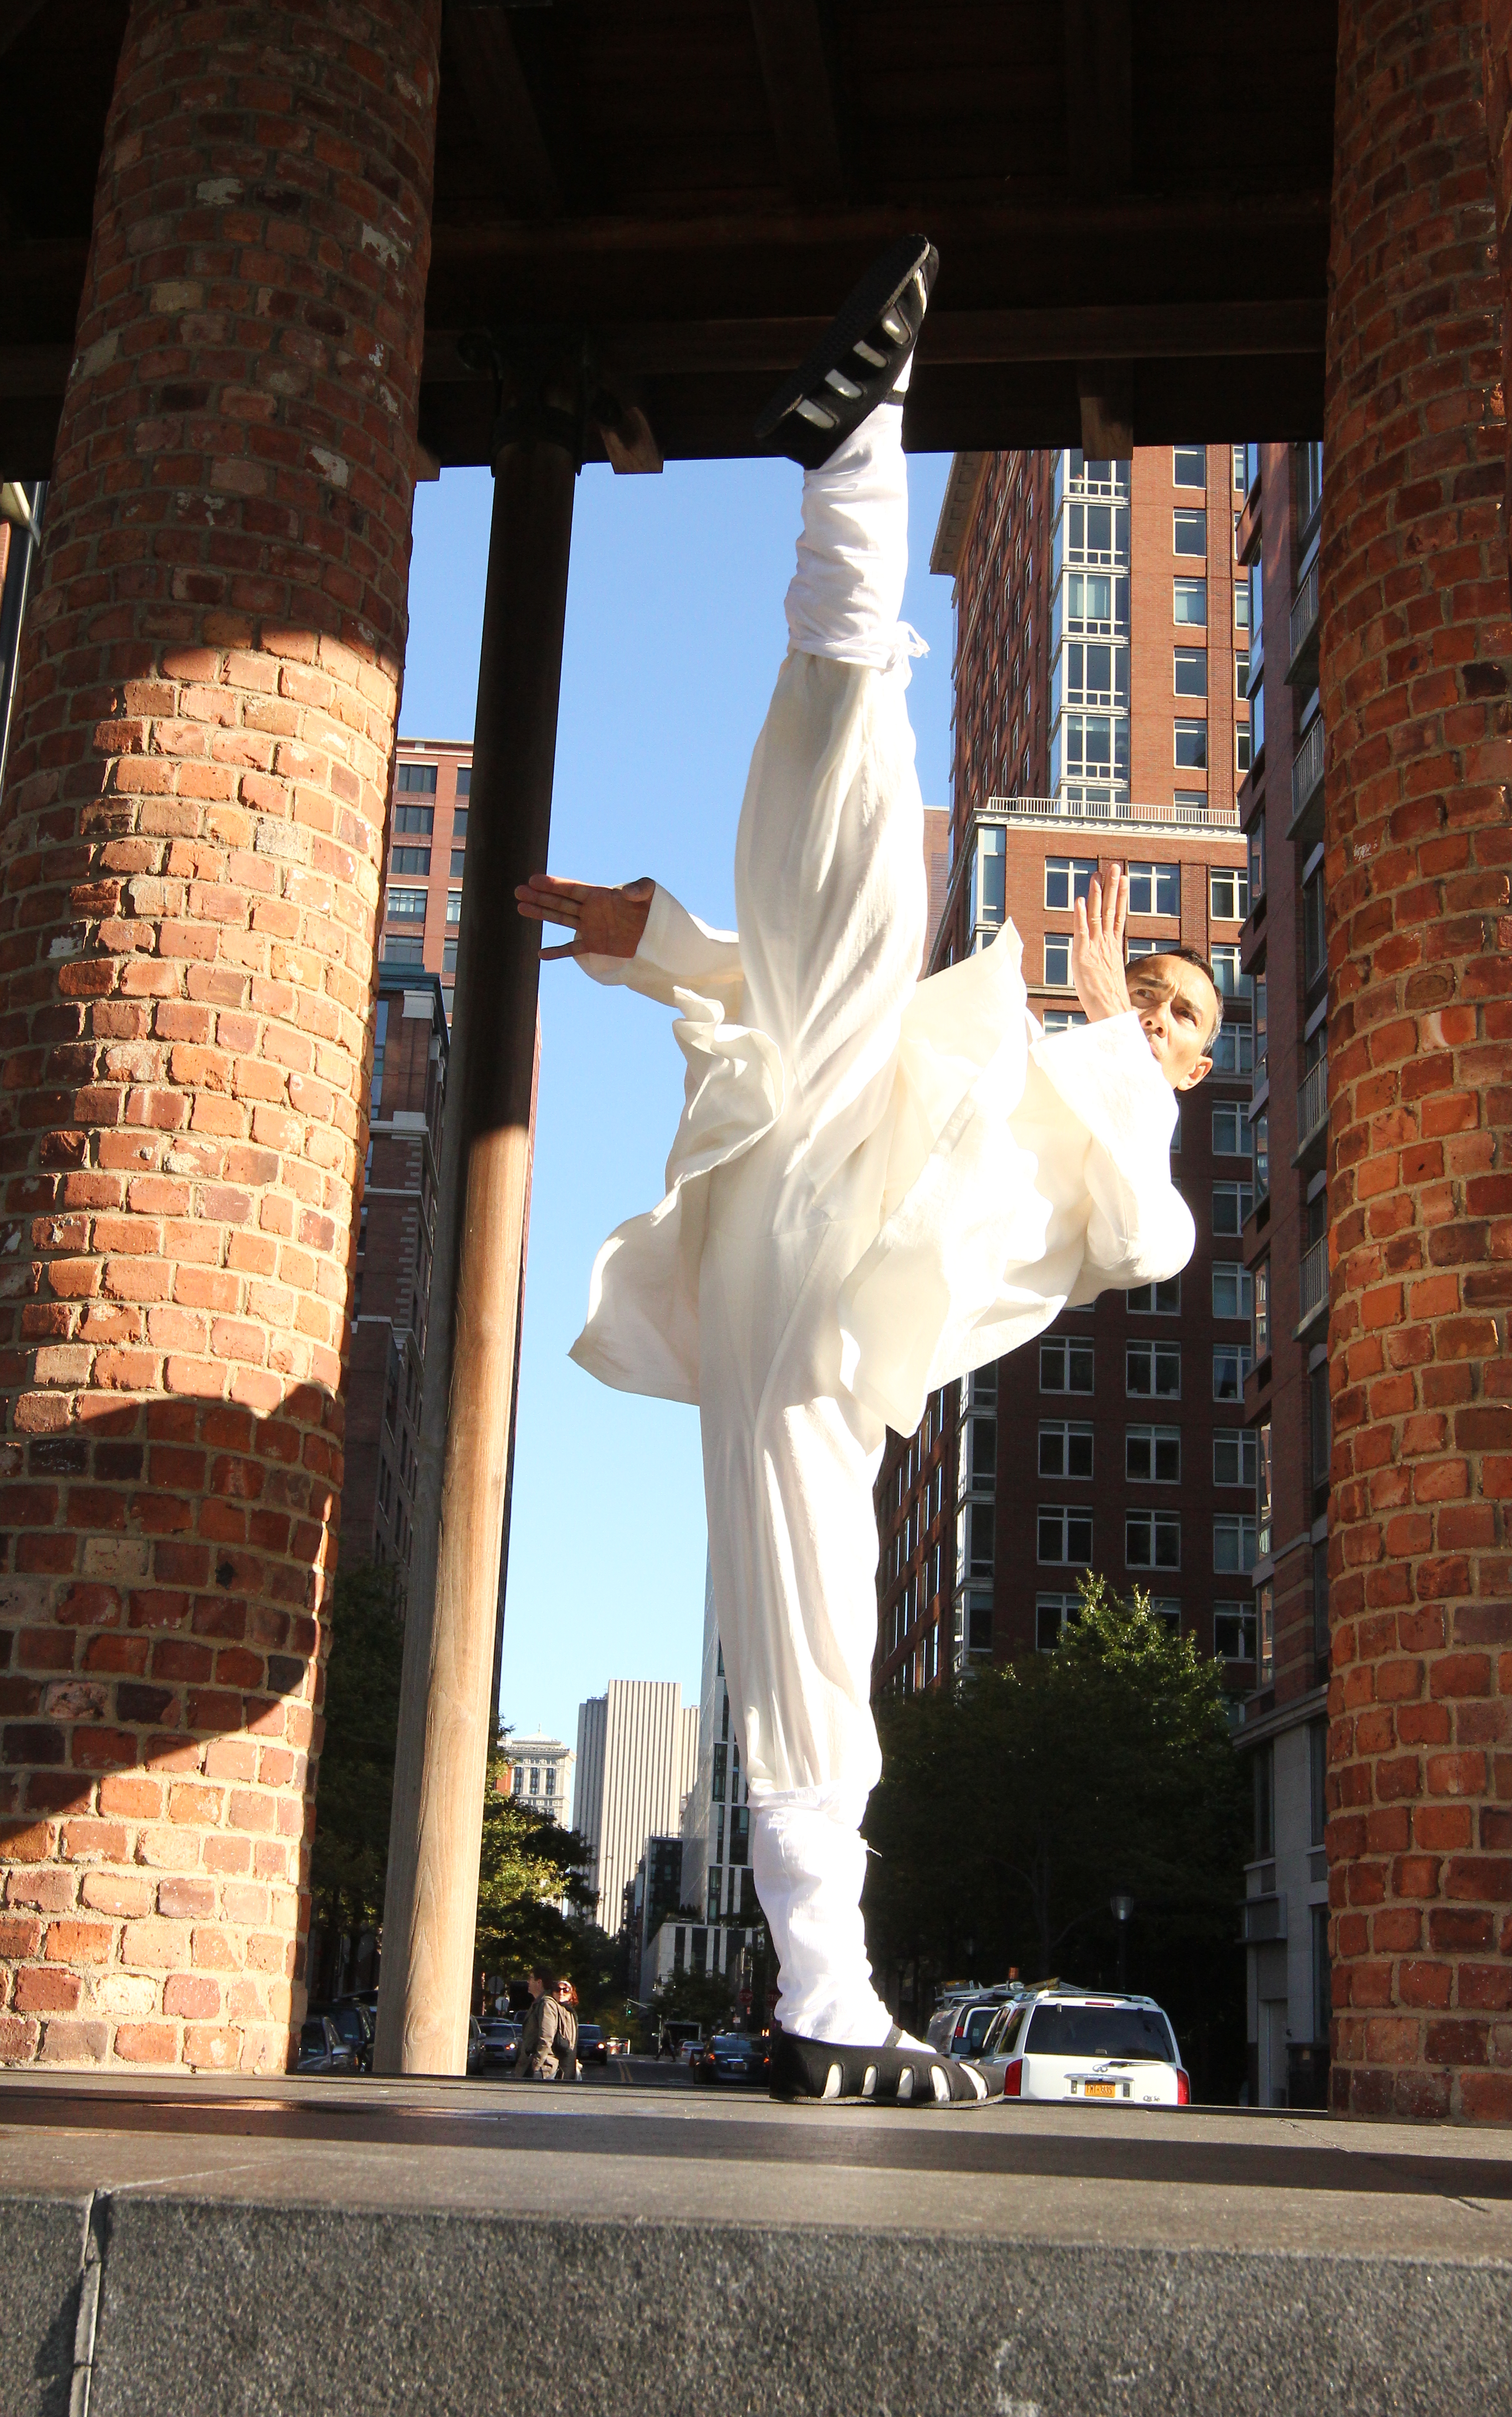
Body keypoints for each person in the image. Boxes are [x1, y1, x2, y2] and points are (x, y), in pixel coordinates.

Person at [518, 237, 1215, 2106]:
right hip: (804, 1182)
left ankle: (827, 1997)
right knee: (855, 874)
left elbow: (1149, 1238)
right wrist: (647, 936)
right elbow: (795, 975)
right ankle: (858, 449)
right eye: (1159, 982)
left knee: (805, 1635)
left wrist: (1115, 1046)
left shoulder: (1125, 1151)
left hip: (838, 1323)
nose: (1162, 1012)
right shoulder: (995, 1038)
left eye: (1191, 1018)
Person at [514, 1968, 575, 2083]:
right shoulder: (540, 2003)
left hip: (543, 2068)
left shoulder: (547, 2004)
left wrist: (536, 2064)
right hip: (538, 2066)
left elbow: (546, 2037)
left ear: (539, 1982)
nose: (528, 1982)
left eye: (531, 1978)